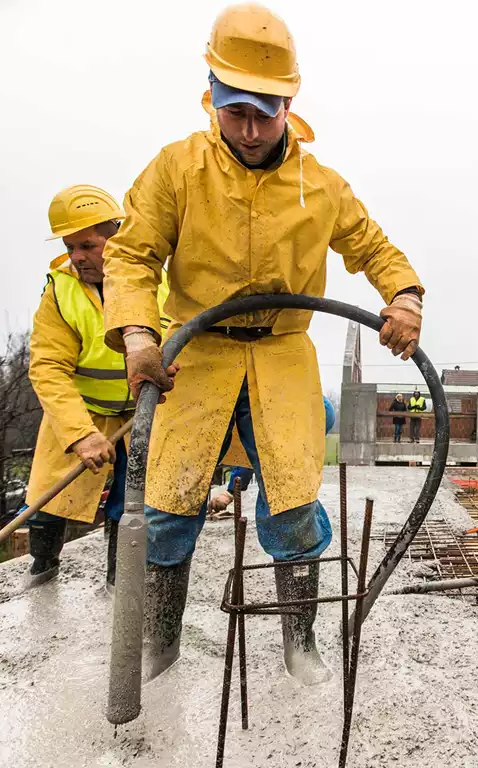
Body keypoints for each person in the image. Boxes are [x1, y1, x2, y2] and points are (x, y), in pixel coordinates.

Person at [101, 4, 424, 684]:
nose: (249, 130)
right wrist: (137, 332)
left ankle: (299, 642)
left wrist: (404, 297)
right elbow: (132, 255)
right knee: (166, 507)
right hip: (195, 355)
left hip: (281, 357)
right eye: (235, 112)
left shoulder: (320, 185)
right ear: (212, 98)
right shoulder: (177, 169)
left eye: (264, 113)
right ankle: (160, 643)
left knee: (294, 504)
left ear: (288, 106)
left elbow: (374, 248)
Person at [24, 185, 168, 591]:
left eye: (87, 244)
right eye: (71, 247)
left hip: (144, 412)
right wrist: (80, 433)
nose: (77, 256)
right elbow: (48, 368)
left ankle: (117, 584)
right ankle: (41, 571)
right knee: (48, 497)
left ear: (117, 236)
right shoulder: (61, 290)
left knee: (132, 500)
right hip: (82, 410)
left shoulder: (158, 281)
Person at [209, 396, 335, 514]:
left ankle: (286, 521)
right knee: (289, 478)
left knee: (277, 486)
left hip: (307, 410)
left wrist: (230, 492)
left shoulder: (250, 404)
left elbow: (253, 451)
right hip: (316, 406)